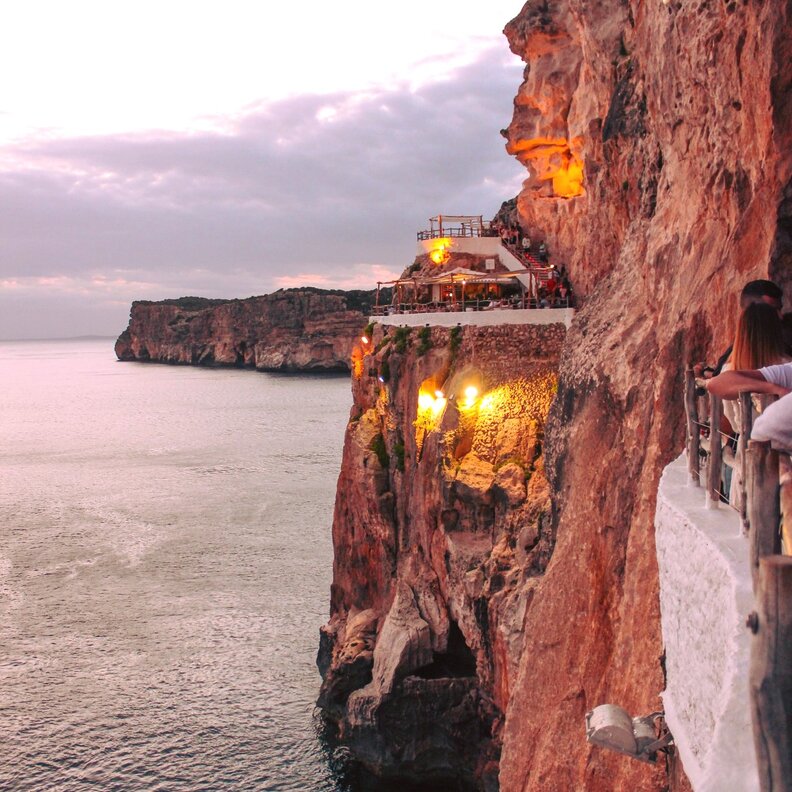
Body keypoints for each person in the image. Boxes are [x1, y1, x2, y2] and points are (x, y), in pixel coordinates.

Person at [715, 303, 790, 507]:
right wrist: (773, 388)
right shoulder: (784, 367)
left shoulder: (731, 371)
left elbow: (731, 420)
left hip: (746, 454)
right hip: (783, 460)